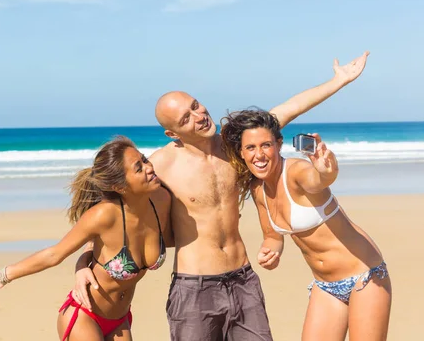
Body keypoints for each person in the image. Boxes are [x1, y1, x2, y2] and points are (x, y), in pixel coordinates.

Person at [73, 52, 371, 340]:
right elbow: (112, 214)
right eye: (185, 118)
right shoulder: (161, 165)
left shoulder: (235, 144)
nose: (199, 116)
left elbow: (289, 108)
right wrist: (83, 263)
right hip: (193, 289)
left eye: (196, 105)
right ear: (172, 133)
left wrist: (339, 81)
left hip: (243, 280)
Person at [219, 108, 392, 340]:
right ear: (241, 153)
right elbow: (273, 236)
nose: (259, 154)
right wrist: (270, 252)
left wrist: (326, 171)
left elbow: (319, 180)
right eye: (250, 147)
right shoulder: (258, 190)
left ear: (278, 145)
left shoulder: (296, 172)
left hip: (365, 276)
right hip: (325, 286)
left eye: (266, 145)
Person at [0, 136, 173, 341]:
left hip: (120, 319)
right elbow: (55, 254)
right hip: (85, 316)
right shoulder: (103, 215)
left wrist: (83, 262)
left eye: (144, 159)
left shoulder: (161, 200)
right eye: (139, 168)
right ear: (119, 186)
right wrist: (5, 273)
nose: (149, 167)